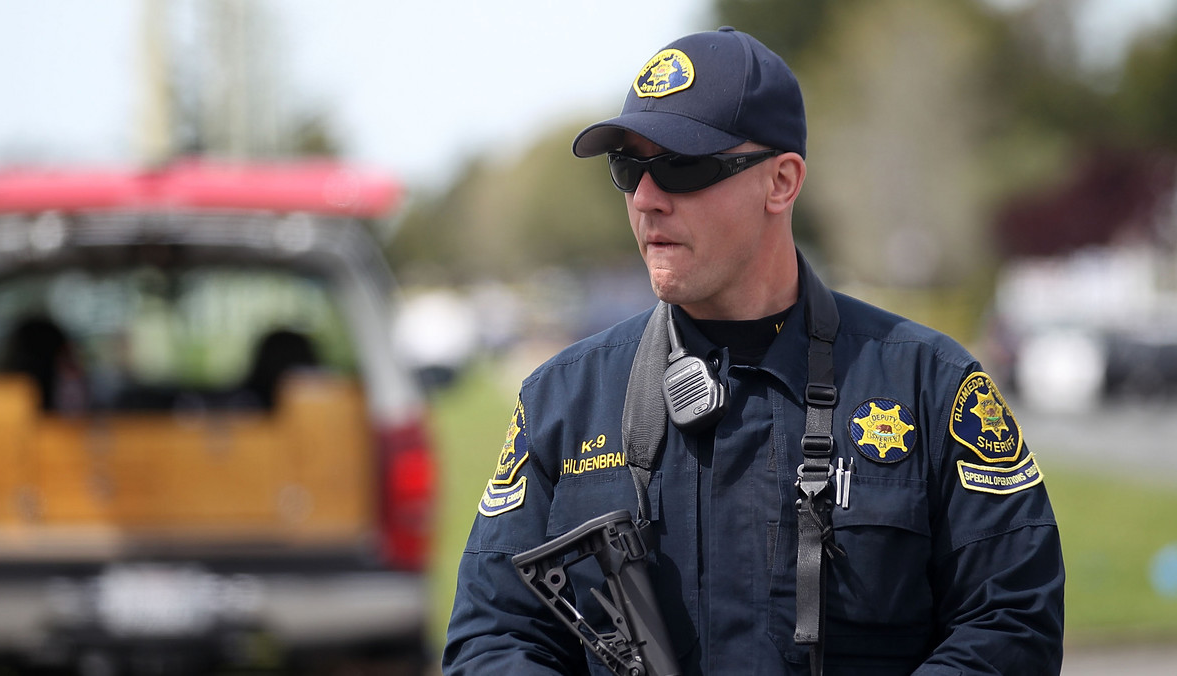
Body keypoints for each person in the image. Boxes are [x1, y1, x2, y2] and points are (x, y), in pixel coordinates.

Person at [443, 27, 1063, 675]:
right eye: (629, 167)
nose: (647, 198)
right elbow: (493, 637)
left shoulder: (930, 386)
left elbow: (1011, 623)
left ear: (781, 182)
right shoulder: (563, 400)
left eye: (683, 165)